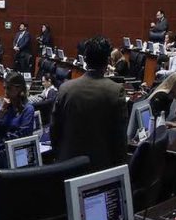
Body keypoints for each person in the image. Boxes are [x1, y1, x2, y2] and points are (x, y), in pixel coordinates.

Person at [52, 35, 127, 171]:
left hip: (67, 165)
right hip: (101, 168)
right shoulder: (116, 91)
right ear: (108, 61)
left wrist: (60, 158)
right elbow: (120, 138)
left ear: (85, 60)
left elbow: (55, 130)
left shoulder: (65, 88)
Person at [0, 72, 35, 171]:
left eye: (8, 88)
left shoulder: (28, 109)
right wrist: (1, 113)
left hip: (17, 155)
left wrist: (1, 138)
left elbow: (23, 135)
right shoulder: (4, 105)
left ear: (18, 88)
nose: (5, 92)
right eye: (4, 88)